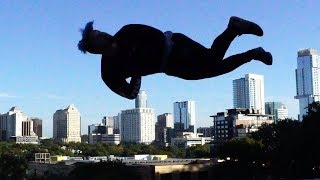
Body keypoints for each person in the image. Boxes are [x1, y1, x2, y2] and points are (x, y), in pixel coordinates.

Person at [78, 16, 272, 100]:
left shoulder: (127, 31)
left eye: (100, 31)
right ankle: (243, 39)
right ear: (95, 49)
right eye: (98, 37)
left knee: (213, 61)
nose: (103, 33)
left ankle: (242, 39)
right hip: (171, 67)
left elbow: (158, 37)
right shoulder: (109, 72)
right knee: (214, 66)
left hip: (176, 47)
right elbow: (130, 94)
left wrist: (136, 59)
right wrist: (137, 72)